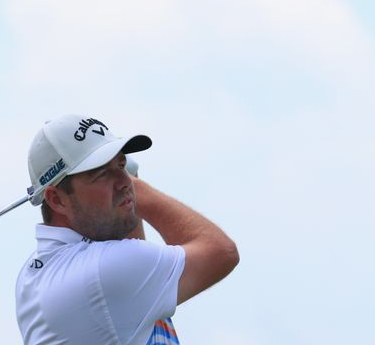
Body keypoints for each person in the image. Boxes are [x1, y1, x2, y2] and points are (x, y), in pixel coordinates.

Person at [15, 114, 239, 344]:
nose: (124, 181)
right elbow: (221, 252)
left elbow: (131, 250)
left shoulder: (33, 275)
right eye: (101, 173)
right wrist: (137, 189)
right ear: (57, 199)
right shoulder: (105, 273)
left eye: (121, 165)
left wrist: (120, 192)